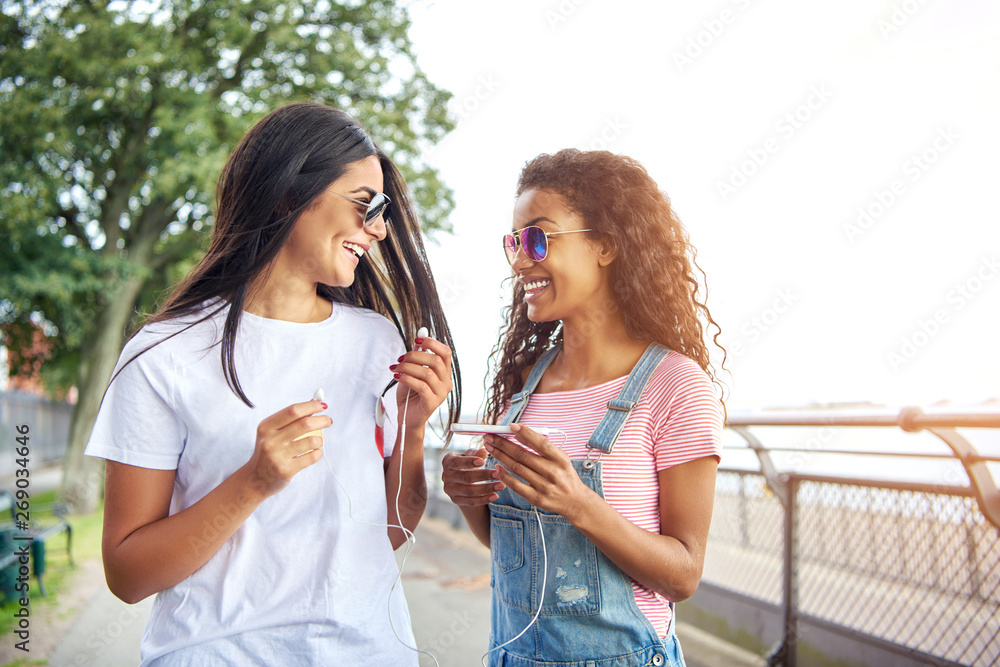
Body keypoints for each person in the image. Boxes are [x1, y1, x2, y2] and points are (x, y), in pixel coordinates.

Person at [86, 102, 461, 666]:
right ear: (289, 194)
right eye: (366, 205)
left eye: (383, 212)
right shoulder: (165, 355)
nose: (380, 228)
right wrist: (254, 481)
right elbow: (128, 575)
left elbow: (391, 529)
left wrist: (413, 428)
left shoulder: (378, 342)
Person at [442, 149, 724, 667]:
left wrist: (579, 504)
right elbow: (515, 553)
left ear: (606, 247)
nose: (520, 260)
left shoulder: (677, 386)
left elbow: (683, 575)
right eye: (513, 242)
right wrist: (467, 499)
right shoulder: (522, 387)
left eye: (537, 238)